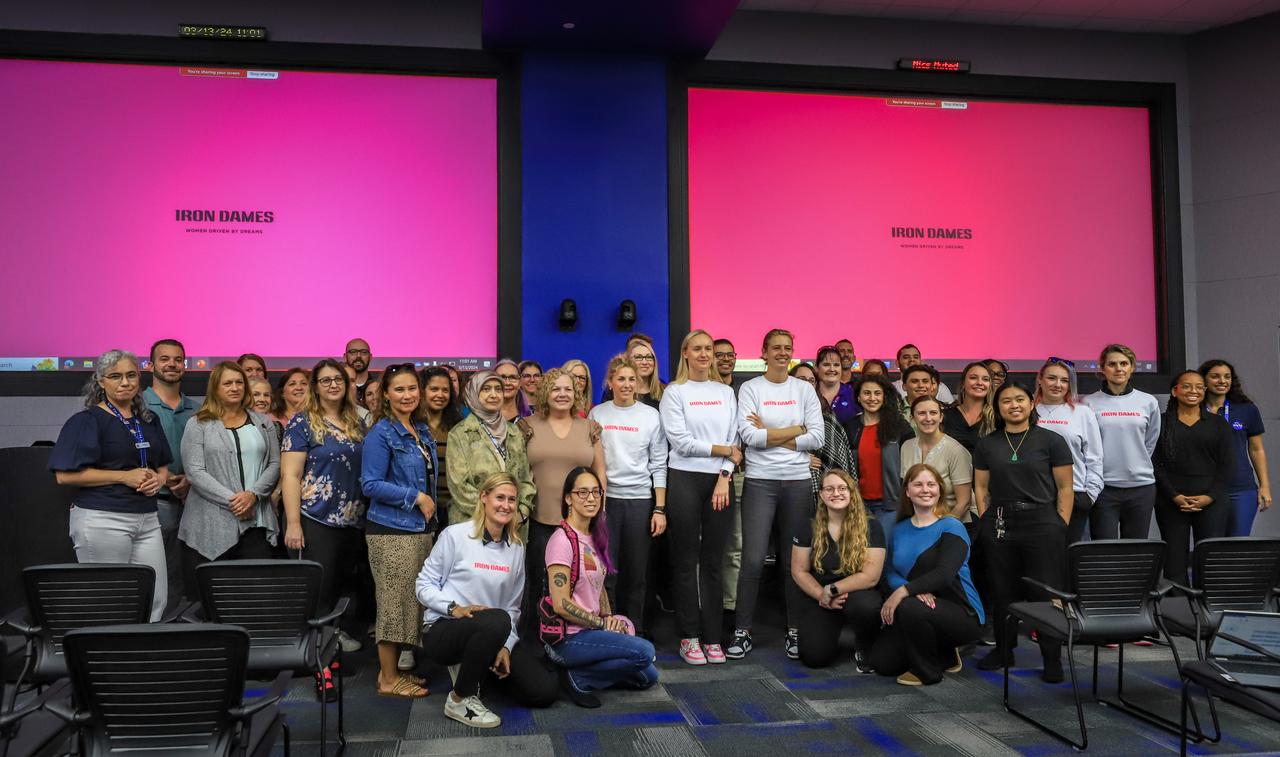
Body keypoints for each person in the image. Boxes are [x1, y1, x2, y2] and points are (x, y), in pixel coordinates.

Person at [416, 472, 557, 728]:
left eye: (512, 500)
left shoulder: (516, 547)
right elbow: (423, 585)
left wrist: (506, 647)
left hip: (495, 632)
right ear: (483, 497)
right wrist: (454, 608)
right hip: (444, 630)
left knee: (543, 691)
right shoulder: (455, 536)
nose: (506, 505)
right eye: (499, 497)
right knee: (496, 620)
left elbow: (513, 608)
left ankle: (480, 669)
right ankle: (459, 699)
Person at [50, 350, 172, 622]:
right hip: (103, 518)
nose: (125, 382)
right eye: (115, 376)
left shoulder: (149, 420)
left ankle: (145, 659)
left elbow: (163, 465)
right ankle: (109, 661)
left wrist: (159, 479)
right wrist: (124, 477)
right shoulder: (87, 421)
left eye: (131, 375)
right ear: (101, 382)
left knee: (155, 598)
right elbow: (64, 476)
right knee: (111, 600)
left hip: (147, 519)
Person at [732, 329, 825, 660]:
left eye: (788, 348)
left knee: (793, 562)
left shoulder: (803, 389)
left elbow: (817, 438)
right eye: (776, 348)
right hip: (760, 481)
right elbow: (748, 436)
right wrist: (795, 430)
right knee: (754, 560)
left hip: (798, 482)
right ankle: (742, 631)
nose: (783, 353)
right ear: (764, 352)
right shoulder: (751, 389)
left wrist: (770, 434)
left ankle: (795, 630)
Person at [973, 381, 1073, 682]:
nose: (1013, 405)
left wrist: (1060, 524)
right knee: (1003, 591)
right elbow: (980, 487)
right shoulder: (988, 443)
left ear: (1032, 404)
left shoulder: (1051, 441)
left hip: (1043, 522)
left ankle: (1051, 656)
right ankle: (1005, 649)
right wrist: (986, 519)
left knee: (1044, 592)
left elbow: (1065, 488)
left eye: (1020, 399)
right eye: (1006, 401)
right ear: (998, 407)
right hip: (1001, 522)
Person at [660, 330, 741, 665]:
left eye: (709, 349)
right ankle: (689, 636)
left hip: (720, 481)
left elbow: (735, 437)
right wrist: (722, 450)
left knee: (713, 561)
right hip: (684, 479)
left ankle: (711, 638)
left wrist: (724, 475)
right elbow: (680, 442)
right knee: (685, 561)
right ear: (686, 353)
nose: (705, 354)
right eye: (698, 348)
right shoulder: (674, 393)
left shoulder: (725, 392)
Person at [545, 467, 658, 707]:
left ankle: (588, 668)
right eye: (582, 492)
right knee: (644, 652)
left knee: (648, 676)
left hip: (593, 631)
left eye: (596, 492)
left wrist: (608, 617)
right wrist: (601, 624)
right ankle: (577, 677)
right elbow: (561, 604)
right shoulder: (561, 541)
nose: (591, 499)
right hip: (568, 638)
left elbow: (599, 585)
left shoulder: (595, 536)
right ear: (568, 498)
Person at [281, 359, 368, 659]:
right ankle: (316, 651)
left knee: (343, 584)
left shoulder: (358, 422)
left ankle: (333, 637)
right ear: (315, 387)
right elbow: (290, 475)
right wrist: (293, 523)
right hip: (314, 517)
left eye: (339, 380)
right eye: (326, 380)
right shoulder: (302, 422)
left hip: (353, 519)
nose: (333, 385)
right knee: (320, 587)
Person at [361, 363, 438, 698]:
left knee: (409, 603)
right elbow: (370, 484)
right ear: (386, 395)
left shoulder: (419, 428)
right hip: (391, 531)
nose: (407, 395)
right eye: (399, 389)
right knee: (393, 606)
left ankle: (392, 673)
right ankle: (388, 679)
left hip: (419, 530)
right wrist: (415, 496)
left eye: (412, 388)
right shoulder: (382, 432)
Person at [872, 463, 984, 685]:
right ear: (907, 491)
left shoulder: (951, 526)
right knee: (882, 663)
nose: (925, 490)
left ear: (940, 490)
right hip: (918, 607)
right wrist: (910, 592)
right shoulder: (899, 529)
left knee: (909, 606)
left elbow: (944, 574)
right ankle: (945, 653)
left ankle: (928, 672)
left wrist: (904, 591)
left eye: (931, 484)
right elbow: (890, 571)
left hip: (963, 613)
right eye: (918, 484)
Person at [178, 362, 281, 599]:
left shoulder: (263, 422)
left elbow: (274, 464)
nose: (234, 388)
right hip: (210, 524)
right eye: (227, 383)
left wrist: (253, 496)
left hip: (256, 521)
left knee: (255, 596)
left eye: (239, 383)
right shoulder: (198, 423)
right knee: (214, 598)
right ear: (215, 388)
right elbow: (194, 471)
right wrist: (234, 501)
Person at [522, 367, 606, 634]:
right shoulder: (527, 426)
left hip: (581, 526)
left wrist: (598, 507)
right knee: (538, 585)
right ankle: (539, 642)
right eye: (556, 388)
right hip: (540, 521)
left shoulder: (589, 428)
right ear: (546, 392)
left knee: (582, 584)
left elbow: (600, 470)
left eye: (568, 389)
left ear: (576, 393)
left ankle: (576, 638)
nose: (562, 394)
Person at [589, 356, 668, 636]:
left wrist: (659, 509)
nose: (626, 384)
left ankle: (635, 633)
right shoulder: (597, 414)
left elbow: (659, 464)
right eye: (620, 379)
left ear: (638, 383)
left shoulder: (651, 416)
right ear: (610, 382)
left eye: (631, 379)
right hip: (606, 503)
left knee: (637, 575)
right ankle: (606, 632)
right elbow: (591, 460)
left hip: (640, 503)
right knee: (606, 572)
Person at [792, 469, 884, 670]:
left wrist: (833, 589)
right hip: (821, 597)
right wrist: (822, 595)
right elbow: (799, 571)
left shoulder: (871, 526)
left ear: (852, 493)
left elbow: (870, 577)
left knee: (865, 607)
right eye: (830, 489)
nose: (836, 493)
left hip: (857, 593)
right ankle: (829, 634)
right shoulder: (807, 526)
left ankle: (865, 642)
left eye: (842, 488)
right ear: (822, 495)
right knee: (814, 658)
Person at [1153, 371, 1234, 583]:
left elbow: (1227, 466)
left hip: (1212, 501)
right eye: (1187, 386)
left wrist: (1210, 497)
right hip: (1171, 501)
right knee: (1174, 563)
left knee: (1210, 561)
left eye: (1199, 387)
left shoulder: (1218, 424)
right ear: (1175, 391)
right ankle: (1178, 613)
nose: (1194, 391)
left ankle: (1207, 611)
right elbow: (1154, 464)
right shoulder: (1161, 423)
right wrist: (1174, 496)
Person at [1081, 344, 1161, 540]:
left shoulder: (1148, 402)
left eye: (1124, 363)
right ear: (1102, 368)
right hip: (1103, 488)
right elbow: (1087, 446)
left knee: (1135, 549)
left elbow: (1150, 441)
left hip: (1141, 487)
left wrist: (1135, 462)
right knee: (1104, 549)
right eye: (1112, 364)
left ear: (1132, 367)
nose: (1118, 369)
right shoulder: (1088, 403)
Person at [143, 338, 198, 612]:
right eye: (164, 358)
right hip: (151, 503)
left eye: (178, 359)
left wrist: (190, 478)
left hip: (192, 502)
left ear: (185, 366)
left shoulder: (198, 410)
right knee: (151, 574)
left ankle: (174, 630)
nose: (172, 364)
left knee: (181, 574)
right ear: (151, 365)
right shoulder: (138, 405)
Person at [446, 371, 536, 531]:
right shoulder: (460, 433)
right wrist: (495, 515)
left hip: (513, 526)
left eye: (498, 389)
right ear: (474, 393)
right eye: (486, 389)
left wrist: (521, 512)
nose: (493, 394)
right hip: (472, 524)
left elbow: (526, 479)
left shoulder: (514, 432)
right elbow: (458, 485)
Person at [1034, 358, 1104, 545]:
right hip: (1035, 497)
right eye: (1052, 378)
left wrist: (1090, 495)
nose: (1058, 385)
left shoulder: (1082, 413)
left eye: (1064, 380)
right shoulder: (1027, 410)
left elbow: (1094, 458)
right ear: (1040, 379)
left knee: (1071, 559)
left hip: (1075, 495)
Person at [1199, 359, 1272, 536]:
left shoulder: (1247, 409)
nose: (1222, 381)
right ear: (1204, 381)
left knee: (1237, 543)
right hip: (1204, 488)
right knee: (1210, 544)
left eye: (1227, 377)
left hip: (1241, 488)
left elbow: (1256, 449)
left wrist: (1264, 486)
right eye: (1215, 376)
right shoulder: (1193, 409)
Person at [842, 374, 912, 537]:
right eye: (867, 393)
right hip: (858, 504)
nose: (872, 398)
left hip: (890, 504)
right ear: (858, 397)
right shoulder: (850, 427)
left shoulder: (899, 426)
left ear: (884, 396)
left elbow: (911, 465)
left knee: (883, 551)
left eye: (877, 393)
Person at [901, 396, 973, 522]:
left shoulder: (955, 450)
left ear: (941, 417)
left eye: (933, 413)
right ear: (912, 418)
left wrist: (938, 529)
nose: (928, 418)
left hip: (954, 523)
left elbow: (964, 502)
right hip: (918, 522)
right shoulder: (906, 447)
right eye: (922, 413)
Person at [796, 363, 855, 500]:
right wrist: (800, 459)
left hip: (826, 493)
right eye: (802, 379)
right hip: (788, 486)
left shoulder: (826, 416)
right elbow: (768, 446)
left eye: (811, 381)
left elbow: (838, 462)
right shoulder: (778, 415)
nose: (807, 384)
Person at [421, 366, 463, 531]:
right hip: (420, 511)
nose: (440, 395)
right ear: (422, 391)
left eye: (445, 390)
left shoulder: (459, 427)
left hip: (453, 511)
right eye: (434, 389)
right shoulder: (412, 426)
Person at [943, 361, 996, 454]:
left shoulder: (998, 418)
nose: (980, 382)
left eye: (985, 379)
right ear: (963, 383)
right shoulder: (945, 416)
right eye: (973, 378)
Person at [602, 340, 666, 409]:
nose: (644, 362)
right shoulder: (615, 390)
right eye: (638, 357)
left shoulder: (664, 391)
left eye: (649, 357)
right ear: (628, 361)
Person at [815, 346, 858, 424]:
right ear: (817, 368)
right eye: (826, 364)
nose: (832, 369)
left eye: (836, 365)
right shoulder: (809, 393)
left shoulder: (854, 393)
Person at [344, 338, 373, 406]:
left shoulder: (379, 386)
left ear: (370, 357)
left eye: (364, 352)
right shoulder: (338, 387)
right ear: (345, 357)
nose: (358, 356)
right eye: (353, 352)